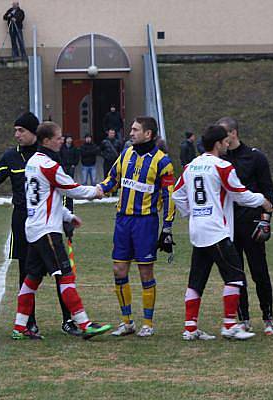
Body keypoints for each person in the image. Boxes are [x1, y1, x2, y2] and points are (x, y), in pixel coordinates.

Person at [0, 112, 80, 336]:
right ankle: (28, 322)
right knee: (28, 272)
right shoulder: (11, 157)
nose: (17, 135)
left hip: (50, 218)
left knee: (61, 271)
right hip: (23, 220)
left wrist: (68, 216)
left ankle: (68, 320)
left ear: (34, 133)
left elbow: (65, 187)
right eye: (15, 131)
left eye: (21, 130)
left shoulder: (50, 156)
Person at [11, 122, 112, 340]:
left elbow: (47, 197)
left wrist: (67, 216)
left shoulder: (32, 163)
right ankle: (85, 324)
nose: (61, 141)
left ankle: (19, 327)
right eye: (58, 137)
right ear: (46, 140)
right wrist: (96, 191)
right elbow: (71, 189)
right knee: (66, 275)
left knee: (32, 278)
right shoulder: (48, 165)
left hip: (35, 228)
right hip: (47, 231)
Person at [172, 125, 272, 341]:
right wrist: (262, 201)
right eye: (225, 142)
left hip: (197, 230)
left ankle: (190, 328)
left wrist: (191, 213)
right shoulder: (222, 166)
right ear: (217, 144)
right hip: (217, 231)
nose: (228, 145)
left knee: (196, 281)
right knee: (235, 277)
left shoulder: (191, 166)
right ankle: (230, 325)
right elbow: (239, 195)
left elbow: (177, 195)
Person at [99, 116, 176, 338]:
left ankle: (148, 323)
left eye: (135, 130)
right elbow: (112, 179)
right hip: (123, 221)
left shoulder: (163, 162)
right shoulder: (125, 155)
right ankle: (126, 322)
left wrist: (167, 227)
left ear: (148, 134)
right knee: (119, 270)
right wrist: (95, 190)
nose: (131, 133)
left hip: (146, 223)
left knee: (145, 272)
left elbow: (168, 196)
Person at [217, 117, 273, 335]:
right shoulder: (219, 161)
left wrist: (265, 220)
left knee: (259, 272)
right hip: (228, 226)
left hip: (252, 224)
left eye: (223, 134)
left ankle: (268, 317)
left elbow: (268, 190)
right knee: (236, 274)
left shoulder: (255, 157)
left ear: (233, 133)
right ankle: (243, 319)